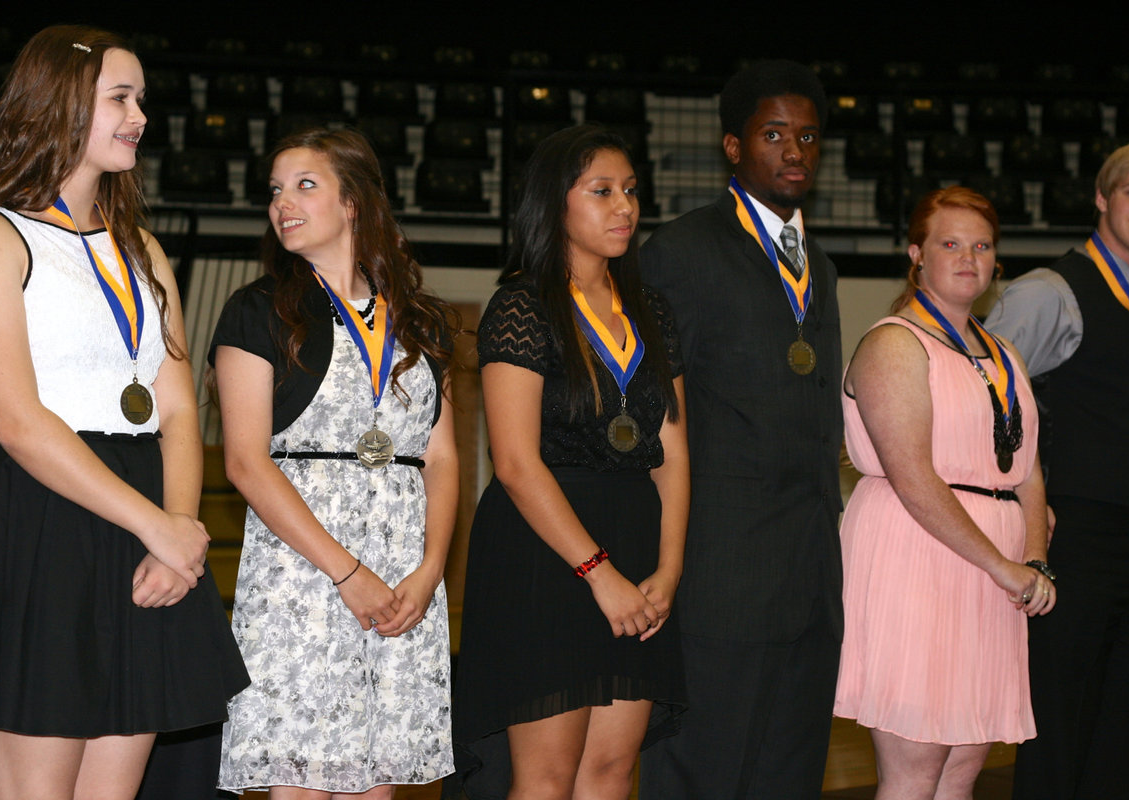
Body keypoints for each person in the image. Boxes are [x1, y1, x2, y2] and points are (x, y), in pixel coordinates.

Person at [0, 24, 248, 800]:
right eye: (121, 97)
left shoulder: (140, 247)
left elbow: (178, 412)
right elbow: (16, 419)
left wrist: (178, 531)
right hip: (38, 515)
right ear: (60, 104)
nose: (140, 115)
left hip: (144, 524)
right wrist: (157, 526)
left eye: (141, 98)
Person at [211, 127, 459, 798]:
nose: (282, 203)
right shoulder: (257, 310)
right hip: (305, 573)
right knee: (302, 783)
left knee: (377, 784)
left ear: (352, 202)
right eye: (275, 190)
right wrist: (348, 573)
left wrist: (431, 569)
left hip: (405, 578)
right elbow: (244, 463)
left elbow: (440, 457)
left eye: (305, 185)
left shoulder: (420, 319)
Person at [448, 124, 688, 800]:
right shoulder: (522, 305)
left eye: (631, 190)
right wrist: (598, 573)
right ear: (555, 203)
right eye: (602, 191)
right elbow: (514, 462)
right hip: (546, 554)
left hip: (636, 543)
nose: (625, 206)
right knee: (547, 778)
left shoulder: (652, 310)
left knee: (610, 771)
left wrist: (669, 567)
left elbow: (673, 452)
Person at [636, 60, 843, 799]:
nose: (794, 151)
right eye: (773, 134)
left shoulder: (820, 264)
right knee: (704, 773)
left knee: (790, 774)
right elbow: (654, 417)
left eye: (807, 137)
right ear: (733, 146)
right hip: (720, 572)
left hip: (810, 574)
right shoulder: (681, 251)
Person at [834, 187, 1054, 799]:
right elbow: (913, 478)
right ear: (916, 255)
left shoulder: (1004, 353)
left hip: (995, 572)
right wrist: (1003, 566)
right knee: (916, 769)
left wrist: (1034, 559)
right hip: (919, 556)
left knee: (963, 767)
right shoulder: (894, 343)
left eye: (981, 246)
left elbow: (1028, 470)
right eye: (950, 244)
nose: (968, 258)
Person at [987, 143, 1129, 800]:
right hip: (1076, 539)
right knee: (1060, 724)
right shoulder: (1050, 293)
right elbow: (982, 403)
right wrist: (1015, 511)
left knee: (1124, 730)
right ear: (1102, 198)